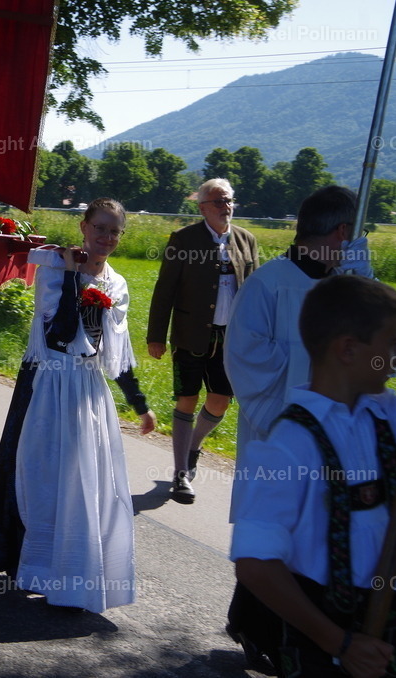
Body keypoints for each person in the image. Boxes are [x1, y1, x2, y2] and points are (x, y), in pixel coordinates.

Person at [230, 274, 396, 678]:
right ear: (349, 349)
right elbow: (255, 565)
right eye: (392, 344)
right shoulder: (288, 446)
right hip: (320, 642)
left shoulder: (394, 417)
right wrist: (340, 643)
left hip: (392, 629)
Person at [0, 198, 156, 613]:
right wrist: (71, 274)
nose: (106, 237)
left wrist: (140, 405)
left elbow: (115, 353)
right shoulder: (53, 270)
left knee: (82, 479)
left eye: (114, 231)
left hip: (87, 388)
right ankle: (19, 556)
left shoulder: (117, 284)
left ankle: (70, 567)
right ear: (84, 227)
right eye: (100, 228)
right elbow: (64, 332)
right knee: (33, 470)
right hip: (48, 382)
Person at [223, 185, 377, 675]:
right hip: (280, 434)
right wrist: (305, 404)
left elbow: (388, 354)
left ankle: (276, 631)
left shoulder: (349, 289)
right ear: (342, 232)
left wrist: (366, 290)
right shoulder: (268, 284)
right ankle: (261, 632)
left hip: (338, 439)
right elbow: (245, 357)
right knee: (274, 533)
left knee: (310, 538)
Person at [146, 178, 258, 504]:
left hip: (230, 340)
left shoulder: (247, 240)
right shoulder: (183, 239)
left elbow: (255, 294)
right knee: (187, 399)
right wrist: (156, 336)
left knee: (220, 401)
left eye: (230, 200)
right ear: (203, 207)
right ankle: (181, 472)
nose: (227, 207)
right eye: (220, 201)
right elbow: (164, 289)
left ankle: (193, 446)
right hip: (189, 335)